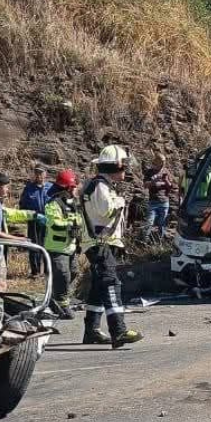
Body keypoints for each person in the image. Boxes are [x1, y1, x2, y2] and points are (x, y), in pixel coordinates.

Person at [81, 145, 144, 348]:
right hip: (100, 243)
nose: (125, 171)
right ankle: (119, 331)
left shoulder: (102, 185)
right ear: (114, 167)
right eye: (123, 167)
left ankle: (91, 330)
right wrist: (120, 201)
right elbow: (105, 210)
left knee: (98, 287)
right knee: (110, 282)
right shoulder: (100, 185)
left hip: (103, 242)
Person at [0, 172, 43, 293]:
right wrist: (15, 239)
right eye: (6, 187)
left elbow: (13, 214)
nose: (8, 190)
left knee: (2, 284)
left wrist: (33, 215)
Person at [43, 169, 83, 320]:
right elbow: (55, 223)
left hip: (70, 247)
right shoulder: (53, 204)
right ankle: (61, 303)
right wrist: (73, 224)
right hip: (56, 248)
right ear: (66, 187)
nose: (75, 190)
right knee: (62, 275)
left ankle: (59, 297)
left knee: (73, 272)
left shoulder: (73, 203)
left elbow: (79, 220)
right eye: (73, 187)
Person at [19, 166, 52, 276]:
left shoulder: (50, 188)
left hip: (48, 221)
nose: (39, 175)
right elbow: (22, 205)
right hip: (34, 221)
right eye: (37, 173)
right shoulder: (29, 188)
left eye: (41, 173)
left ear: (45, 174)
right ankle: (35, 272)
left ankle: (48, 271)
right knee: (34, 246)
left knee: (48, 245)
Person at [143, 153, 176, 239]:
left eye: (164, 162)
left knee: (162, 223)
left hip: (164, 201)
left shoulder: (166, 171)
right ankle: (144, 239)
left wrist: (166, 181)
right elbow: (145, 185)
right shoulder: (150, 172)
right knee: (149, 222)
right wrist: (154, 181)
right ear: (156, 162)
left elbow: (171, 187)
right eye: (161, 162)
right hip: (153, 201)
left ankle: (160, 240)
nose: (163, 164)